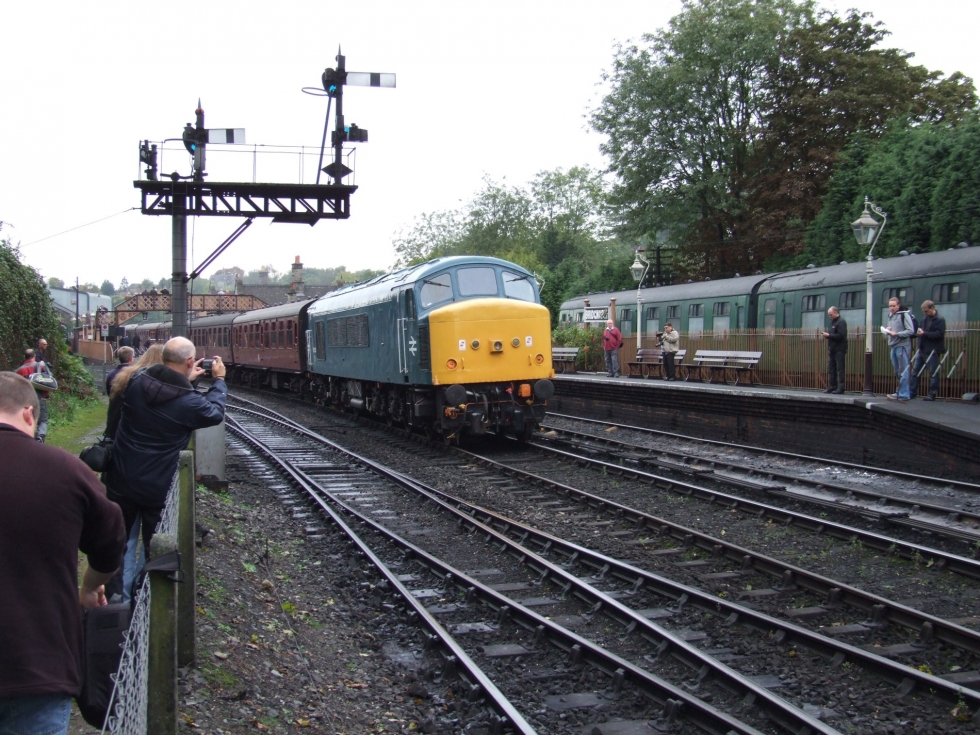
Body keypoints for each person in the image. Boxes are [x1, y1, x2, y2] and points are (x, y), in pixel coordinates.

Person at [0, 372, 125, 735]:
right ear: (29, 414)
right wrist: (89, 586)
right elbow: (111, 538)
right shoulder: (65, 470)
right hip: (37, 662)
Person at [103, 337, 226, 601]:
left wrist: (187, 380)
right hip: (157, 487)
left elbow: (162, 391)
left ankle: (114, 604)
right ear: (191, 362)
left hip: (121, 479)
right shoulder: (188, 403)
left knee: (119, 544)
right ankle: (144, 602)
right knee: (156, 550)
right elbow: (213, 412)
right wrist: (218, 381)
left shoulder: (135, 384)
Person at [102, 344, 165, 602]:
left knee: (122, 538)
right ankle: (143, 594)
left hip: (120, 474)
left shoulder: (122, 384)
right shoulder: (165, 394)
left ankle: (119, 596)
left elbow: (111, 427)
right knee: (153, 541)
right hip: (153, 479)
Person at [909, 300, 946, 401]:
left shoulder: (940, 319)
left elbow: (939, 334)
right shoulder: (924, 319)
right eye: (924, 312)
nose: (925, 313)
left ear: (932, 308)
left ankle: (932, 394)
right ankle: (912, 392)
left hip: (933, 350)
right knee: (915, 371)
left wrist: (924, 333)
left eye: (926, 311)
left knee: (933, 373)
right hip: (922, 349)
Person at [15, 349, 51, 443]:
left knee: (28, 419)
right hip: (40, 397)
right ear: (34, 356)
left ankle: (27, 439)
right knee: (43, 420)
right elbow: (49, 379)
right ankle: (40, 437)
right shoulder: (40, 365)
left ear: (24, 357)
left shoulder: (19, 370)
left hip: (25, 399)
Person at [883, 297, 914, 402]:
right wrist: (888, 330)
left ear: (898, 305)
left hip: (902, 345)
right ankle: (900, 391)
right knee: (897, 371)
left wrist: (897, 334)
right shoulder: (890, 316)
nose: (891, 308)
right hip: (893, 345)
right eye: (890, 306)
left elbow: (910, 331)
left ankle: (904, 394)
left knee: (903, 370)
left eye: (893, 306)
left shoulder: (904, 314)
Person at [821, 306, 848, 394]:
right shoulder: (833, 323)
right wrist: (828, 337)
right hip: (832, 349)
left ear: (836, 312)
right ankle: (832, 386)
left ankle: (841, 387)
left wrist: (828, 335)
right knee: (831, 368)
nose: (830, 317)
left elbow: (841, 335)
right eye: (829, 315)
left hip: (839, 349)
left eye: (831, 315)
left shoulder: (841, 322)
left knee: (840, 368)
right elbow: (833, 335)